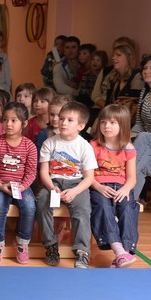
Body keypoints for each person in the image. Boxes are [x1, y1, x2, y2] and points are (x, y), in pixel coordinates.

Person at [36, 102, 98, 268]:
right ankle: (51, 245)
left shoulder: (85, 146)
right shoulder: (49, 143)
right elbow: (44, 172)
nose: (63, 122)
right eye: (62, 118)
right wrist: (51, 187)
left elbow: (89, 178)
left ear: (81, 126)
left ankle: (82, 252)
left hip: (77, 183)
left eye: (70, 120)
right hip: (54, 182)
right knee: (42, 203)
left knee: (82, 211)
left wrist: (74, 191)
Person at [0, 103, 38, 265]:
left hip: (21, 186)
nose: (8, 124)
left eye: (13, 120)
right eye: (5, 120)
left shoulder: (29, 146)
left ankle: (22, 243)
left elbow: (31, 172)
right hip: (0, 185)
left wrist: (23, 186)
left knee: (29, 206)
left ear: (24, 123)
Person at [89, 104, 140, 267]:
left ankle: (125, 252)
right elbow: (88, 175)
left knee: (128, 208)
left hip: (122, 188)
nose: (107, 126)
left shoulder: (129, 148)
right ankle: (118, 250)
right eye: (103, 122)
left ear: (122, 125)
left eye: (112, 123)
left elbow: (132, 178)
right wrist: (98, 187)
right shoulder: (93, 146)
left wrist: (125, 190)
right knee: (103, 206)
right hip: (100, 186)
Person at [131, 55, 151, 202]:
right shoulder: (144, 93)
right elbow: (139, 123)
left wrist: (137, 137)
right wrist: (125, 137)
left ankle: (122, 194)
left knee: (144, 138)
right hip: (147, 145)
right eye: (145, 68)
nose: (147, 71)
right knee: (140, 165)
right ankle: (128, 203)